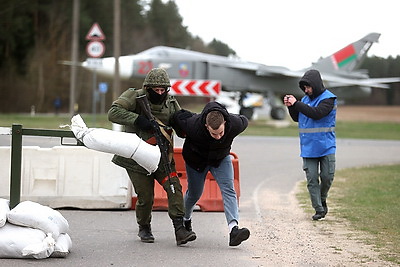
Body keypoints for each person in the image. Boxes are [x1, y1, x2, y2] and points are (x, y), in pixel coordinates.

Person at [108, 68, 196, 245]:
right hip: (136, 157)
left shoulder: (170, 103)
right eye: (156, 90)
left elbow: (179, 123)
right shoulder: (134, 96)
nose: (160, 93)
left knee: (174, 188)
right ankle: (144, 227)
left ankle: (180, 230)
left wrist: (186, 124)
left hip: (162, 156)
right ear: (147, 88)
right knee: (146, 197)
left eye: (163, 90)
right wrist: (138, 120)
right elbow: (113, 113)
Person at [173, 101, 250, 246]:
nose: (218, 136)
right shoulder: (193, 125)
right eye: (214, 133)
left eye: (221, 132)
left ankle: (234, 229)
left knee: (229, 190)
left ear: (225, 124)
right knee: (195, 193)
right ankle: (185, 221)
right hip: (196, 161)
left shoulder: (234, 124)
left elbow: (244, 120)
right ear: (206, 126)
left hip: (220, 159)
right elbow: (177, 117)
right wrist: (182, 125)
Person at [283, 69, 337, 221]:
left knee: (327, 177)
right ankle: (319, 209)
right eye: (304, 88)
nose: (306, 90)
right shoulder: (305, 100)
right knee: (312, 179)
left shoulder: (329, 98)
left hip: (326, 146)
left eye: (308, 87)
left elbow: (317, 113)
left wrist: (297, 103)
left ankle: (322, 198)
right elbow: (297, 117)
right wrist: (291, 106)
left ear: (316, 84)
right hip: (308, 147)